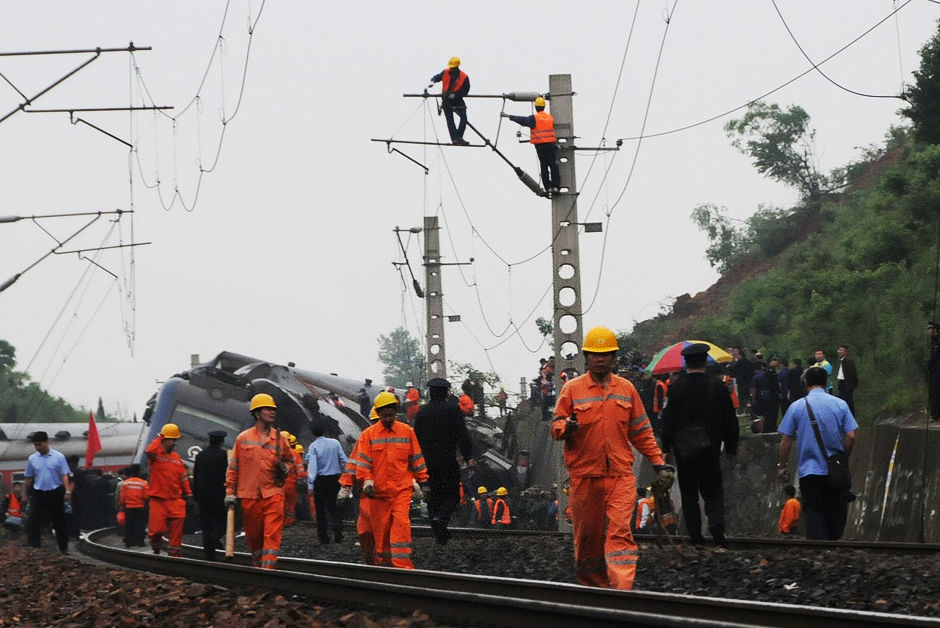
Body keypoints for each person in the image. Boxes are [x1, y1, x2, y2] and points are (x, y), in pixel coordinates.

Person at [551, 326, 673, 590]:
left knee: (621, 532)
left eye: (606, 354)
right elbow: (556, 426)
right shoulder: (572, 390)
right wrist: (565, 427)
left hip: (619, 475)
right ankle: (595, 589)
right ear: (586, 356)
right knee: (587, 539)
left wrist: (659, 464)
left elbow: (642, 432)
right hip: (585, 477)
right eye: (595, 354)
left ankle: (621, 590)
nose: (600, 359)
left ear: (614, 357)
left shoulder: (627, 390)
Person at [661, 343, 739, 547]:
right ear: (706, 362)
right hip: (711, 448)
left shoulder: (675, 388)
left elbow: (667, 420)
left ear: (686, 363)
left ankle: (695, 534)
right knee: (713, 489)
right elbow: (731, 420)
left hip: (684, 450)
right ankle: (716, 523)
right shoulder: (718, 387)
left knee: (689, 492)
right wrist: (731, 447)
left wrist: (665, 448)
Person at [777, 366, 858, 540]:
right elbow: (851, 437)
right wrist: (843, 458)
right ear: (826, 382)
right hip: (834, 472)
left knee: (813, 510)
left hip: (809, 471)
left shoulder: (796, 407)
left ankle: (818, 548)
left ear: (805, 383)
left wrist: (783, 466)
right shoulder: (840, 404)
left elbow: (785, 440)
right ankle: (832, 544)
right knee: (834, 510)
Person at [351, 391, 429, 568]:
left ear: (396, 412)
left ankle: (403, 566)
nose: (388, 419)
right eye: (384, 416)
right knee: (382, 534)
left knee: (401, 526)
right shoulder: (368, 435)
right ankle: (385, 567)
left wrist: (423, 482)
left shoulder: (407, 432)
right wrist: (367, 481)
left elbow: (416, 459)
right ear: (378, 414)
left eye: (391, 415)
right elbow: (363, 463)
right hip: (378, 494)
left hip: (401, 490)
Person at [225, 393, 295, 569]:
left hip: (273, 494)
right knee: (254, 538)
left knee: (272, 535)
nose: (272, 412)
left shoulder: (281, 439)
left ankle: (268, 570)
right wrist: (229, 493)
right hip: (249, 496)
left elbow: (290, 462)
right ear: (257, 413)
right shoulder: (243, 438)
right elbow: (233, 468)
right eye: (268, 409)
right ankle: (258, 567)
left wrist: (287, 468)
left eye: (273, 409)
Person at [413, 377, 474, 545]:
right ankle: (442, 519)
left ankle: (438, 530)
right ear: (446, 392)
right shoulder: (452, 410)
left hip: (426, 462)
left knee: (433, 496)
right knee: (453, 495)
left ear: (430, 393)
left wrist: (415, 463)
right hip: (447, 459)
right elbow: (463, 434)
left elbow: (415, 438)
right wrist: (468, 456)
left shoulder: (422, 412)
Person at [338, 406, 379, 563]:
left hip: (388, 493)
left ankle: (386, 568)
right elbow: (352, 464)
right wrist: (345, 485)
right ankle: (374, 562)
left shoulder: (399, 434)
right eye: (375, 421)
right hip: (367, 493)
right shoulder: (364, 439)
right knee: (366, 531)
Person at [145, 423, 193, 557]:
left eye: (175, 440)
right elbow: (148, 450)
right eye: (172, 439)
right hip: (158, 499)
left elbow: (183, 477)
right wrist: (159, 438)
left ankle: (174, 554)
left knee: (178, 528)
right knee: (156, 530)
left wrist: (188, 493)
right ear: (164, 439)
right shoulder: (154, 455)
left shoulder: (177, 458)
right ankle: (156, 545)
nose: (174, 443)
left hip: (175, 499)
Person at [22, 431, 73, 553]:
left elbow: (64, 475)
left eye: (40, 444)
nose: (38, 447)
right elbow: (28, 478)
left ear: (46, 442)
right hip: (39, 492)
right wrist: (25, 494)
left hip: (55, 491)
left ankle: (63, 547)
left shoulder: (58, 457)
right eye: (36, 445)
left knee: (59, 521)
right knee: (33, 519)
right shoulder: (32, 459)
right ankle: (35, 545)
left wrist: (67, 491)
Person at [500, 96, 560, 194]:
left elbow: (522, 120)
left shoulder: (534, 118)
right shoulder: (550, 117)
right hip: (550, 145)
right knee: (553, 166)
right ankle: (556, 187)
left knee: (544, 167)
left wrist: (509, 116)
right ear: (544, 107)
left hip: (540, 147)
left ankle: (548, 188)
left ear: (536, 107)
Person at [306, 423, 348, 545]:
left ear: (313, 432)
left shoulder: (313, 446)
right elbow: (344, 459)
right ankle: (338, 531)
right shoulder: (335, 443)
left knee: (320, 510)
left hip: (320, 481)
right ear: (324, 430)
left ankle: (323, 537)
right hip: (334, 479)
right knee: (335, 507)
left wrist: (310, 485)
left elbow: (312, 468)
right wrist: (347, 476)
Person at [192, 430, 228, 560]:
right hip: (219, 495)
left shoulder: (200, 456)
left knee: (206, 524)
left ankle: (209, 553)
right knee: (221, 521)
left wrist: (195, 494)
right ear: (222, 441)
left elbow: (196, 476)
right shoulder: (223, 455)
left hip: (203, 496)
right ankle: (215, 538)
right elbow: (227, 475)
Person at [429, 56, 470, 145]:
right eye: (451, 67)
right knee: (450, 120)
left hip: (458, 99)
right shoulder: (445, 72)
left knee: (464, 118)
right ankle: (455, 139)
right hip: (446, 100)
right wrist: (433, 81)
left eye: (453, 68)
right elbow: (437, 77)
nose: (451, 69)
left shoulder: (464, 77)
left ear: (457, 67)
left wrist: (455, 95)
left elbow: (465, 91)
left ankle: (459, 137)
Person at [118, 464, 149, 548]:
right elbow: (146, 496)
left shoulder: (126, 483)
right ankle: (140, 542)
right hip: (140, 507)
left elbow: (122, 496)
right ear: (139, 472)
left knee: (129, 525)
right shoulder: (142, 483)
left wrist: (122, 505)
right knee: (140, 525)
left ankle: (128, 542)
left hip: (129, 507)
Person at [750, 357, 781, 433]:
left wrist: (753, 398)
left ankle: (766, 427)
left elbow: (753, 388)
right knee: (772, 413)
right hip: (771, 396)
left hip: (762, 398)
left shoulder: (756, 377)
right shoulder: (768, 372)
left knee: (766, 413)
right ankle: (772, 427)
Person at [836, 346, 858, 416]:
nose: (839, 351)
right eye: (838, 350)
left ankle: (851, 417)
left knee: (848, 402)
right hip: (842, 384)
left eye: (841, 350)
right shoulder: (842, 361)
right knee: (842, 401)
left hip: (846, 384)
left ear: (846, 352)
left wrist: (850, 386)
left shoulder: (848, 361)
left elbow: (852, 373)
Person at [929, 322, 940, 421]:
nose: (928, 331)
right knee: (933, 392)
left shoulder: (938, 341)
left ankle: (936, 414)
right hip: (934, 371)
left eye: (930, 329)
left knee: (937, 391)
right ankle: (934, 414)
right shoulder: (932, 341)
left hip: (938, 370)